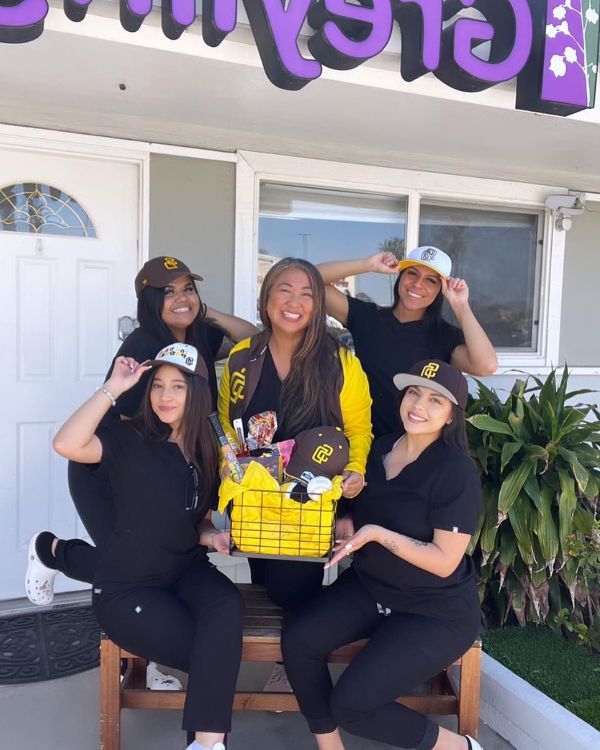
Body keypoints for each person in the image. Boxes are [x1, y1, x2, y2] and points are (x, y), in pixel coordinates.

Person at [26, 255, 257, 606]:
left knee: (161, 562)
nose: (181, 298)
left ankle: (147, 650)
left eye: (188, 289)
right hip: (106, 471)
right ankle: (50, 552)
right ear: (150, 301)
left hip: (161, 472)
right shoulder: (145, 345)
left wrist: (201, 310)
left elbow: (254, 339)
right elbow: (120, 426)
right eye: (169, 292)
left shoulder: (198, 338)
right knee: (133, 565)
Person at [281, 360, 484, 750]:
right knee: (299, 640)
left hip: (434, 610)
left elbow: (444, 561)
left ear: (451, 415)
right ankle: (330, 747)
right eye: (413, 393)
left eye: (434, 400)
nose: (418, 405)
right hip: (372, 588)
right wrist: (348, 520)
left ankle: (461, 747)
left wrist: (375, 534)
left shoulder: (455, 472)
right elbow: (364, 509)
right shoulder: (380, 448)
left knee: (353, 705)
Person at [52, 344, 242, 750]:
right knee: (209, 653)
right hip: (128, 589)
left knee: (226, 606)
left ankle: (207, 745)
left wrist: (211, 535)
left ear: (197, 393)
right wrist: (113, 388)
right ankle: (210, 743)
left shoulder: (205, 451)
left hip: (183, 571)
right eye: (157, 385)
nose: (165, 396)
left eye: (177, 386)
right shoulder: (129, 439)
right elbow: (66, 444)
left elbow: (193, 520)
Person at [218, 257, 373, 612]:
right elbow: (226, 423)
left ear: (318, 305)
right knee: (263, 579)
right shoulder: (244, 357)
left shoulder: (340, 362)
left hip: (309, 503)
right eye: (284, 290)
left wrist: (357, 470)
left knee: (293, 591)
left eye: (306, 294)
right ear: (266, 298)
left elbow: (359, 429)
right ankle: (283, 663)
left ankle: (291, 663)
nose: (294, 302)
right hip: (255, 500)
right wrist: (227, 464)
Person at [317, 247, 497, 438]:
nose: (418, 284)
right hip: (364, 445)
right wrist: (367, 265)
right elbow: (312, 280)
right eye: (412, 273)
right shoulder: (367, 318)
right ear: (400, 277)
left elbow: (486, 366)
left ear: (440, 290)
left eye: (431, 280)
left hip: (416, 451)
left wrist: (461, 306)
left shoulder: (445, 336)